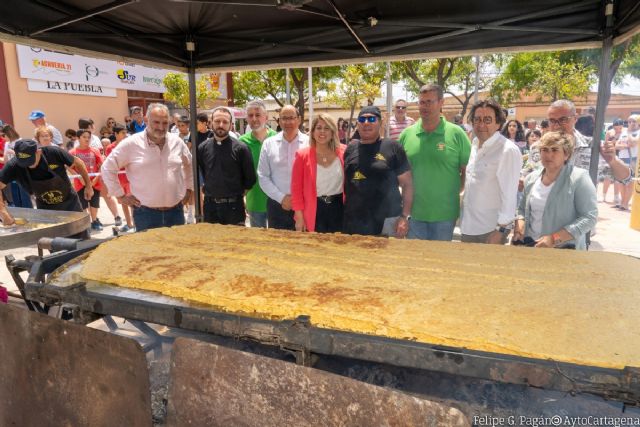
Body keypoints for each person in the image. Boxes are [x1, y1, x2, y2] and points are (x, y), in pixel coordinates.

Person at [101, 103, 193, 232]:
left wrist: (189, 189)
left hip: (176, 213)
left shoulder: (177, 142)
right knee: (148, 253)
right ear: (146, 120)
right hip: (145, 214)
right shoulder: (131, 144)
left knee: (176, 251)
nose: (161, 127)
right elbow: (107, 168)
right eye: (156, 122)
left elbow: (189, 165)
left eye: (165, 123)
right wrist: (120, 195)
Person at [399, 83, 471, 241]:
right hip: (414, 215)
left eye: (429, 102)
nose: (424, 106)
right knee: (415, 264)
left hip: (444, 216)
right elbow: (400, 174)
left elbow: (467, 170)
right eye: (421, 102)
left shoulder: (457, 134)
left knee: (440, 264)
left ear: (441, 102)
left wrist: (456, 191)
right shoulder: (406, 135)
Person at [513, 132, 597, 250]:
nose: (549, 155)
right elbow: (521, 209)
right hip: (531, 245)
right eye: (544, 150)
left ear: (566, 154)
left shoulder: (579, 178)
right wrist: (520, 223)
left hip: (564, 250)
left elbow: (589, 218)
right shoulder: (531, 179)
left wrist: (554, 238)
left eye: (554, 150)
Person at [343, 106, 413, 237]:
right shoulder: (351, 148)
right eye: (362, 119)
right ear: (357, 123)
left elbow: (407, 184)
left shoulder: (393, 147)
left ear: (380, 123)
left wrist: (404, 217)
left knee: (387, 258)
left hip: (387, 222)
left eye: (371, 119)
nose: (366, 123)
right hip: (354, 221)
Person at [460, 99, 521, 244]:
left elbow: (509, 194)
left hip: (490, 231)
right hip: (468, 227)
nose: (481, 124)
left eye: (487, 120)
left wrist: (500, 230)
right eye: (477, 119)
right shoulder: (474, 145)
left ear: (498, 123)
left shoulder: (507, 150)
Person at [0, 139, 93, 225]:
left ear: (38, 152)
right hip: (45, 208)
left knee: (79, 235)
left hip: (70, 203)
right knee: (50, 240)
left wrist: (88, 186)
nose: (28, 165)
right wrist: (3, 212)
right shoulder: (13, 165)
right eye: (23, 163)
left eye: (30, 161)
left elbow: (78, 163)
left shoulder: (53, 153)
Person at [547, 99, 630, 183]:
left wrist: (613, 162)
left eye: (563, 120)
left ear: (575, 118)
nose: (557, 125)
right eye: (552, 121)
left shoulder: (594, 146)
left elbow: (626, 178)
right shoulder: (539, 148)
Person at [198, 107, 256, 226]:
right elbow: (204, 173)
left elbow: (250, 179)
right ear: (211, 123)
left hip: (234, 208)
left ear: (230, 125)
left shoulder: (241, 149)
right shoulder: (202, 148)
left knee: (234, 243)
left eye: (225, 122)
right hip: (210, 208)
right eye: (217, 121)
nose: (221, 125)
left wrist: (234, 196)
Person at [257, 105, 309, 230]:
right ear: (279, 121)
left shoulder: (310, 143)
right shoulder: (269, 144)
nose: (288, 122)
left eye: (292, 118)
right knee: (278, 245)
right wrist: (281, 198)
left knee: (304, 246)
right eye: (284, 118)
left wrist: (297, 201)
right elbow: (262, 176)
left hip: (304, 205)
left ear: (299, 119)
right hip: (277, 205)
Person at [291, 113, 346, 233]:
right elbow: (296, 190)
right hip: (314, 209)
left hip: (339, 208)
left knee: (338, 248)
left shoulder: (344, 152)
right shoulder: (302, 155)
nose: (322, 132)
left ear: (333, 132)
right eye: (319, 128)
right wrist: (299, 217)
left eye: (327, 128)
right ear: (312, 132)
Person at [239, 100, 277, 228]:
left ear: (266, 117)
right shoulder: (241, 143)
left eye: (258, 114)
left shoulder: (277, 139)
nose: (254, 118)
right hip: (254, 203)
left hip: (277, 201)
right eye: (250, 115)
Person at [69, 129, 104, 231]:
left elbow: (101, 165)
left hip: (94, 182)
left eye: (88, 137)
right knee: (83, 204)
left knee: (94, 203)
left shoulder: (95, 150)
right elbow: (68, 166)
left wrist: (96, 178)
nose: (87, 139)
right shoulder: (73, 152)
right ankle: (86, 223)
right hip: (80, 183)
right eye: (84, 137)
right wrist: (79, 177)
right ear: (78, 138)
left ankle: (95, 221)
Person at [104, 124, 134, 232]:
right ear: (115, 134)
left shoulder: (129, 145)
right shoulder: (110, 148)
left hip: (130, 178)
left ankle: (136, 223)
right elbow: (112, 165)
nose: (125, 135)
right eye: (122, 133)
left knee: (133, 201)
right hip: (119, 180)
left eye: (126, 133)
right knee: (123, 202)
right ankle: (129, 224)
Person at [1, 125, 33, 208]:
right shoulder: (7, 144)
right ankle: (20, 215)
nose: (3, 138)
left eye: (3, 135)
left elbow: (25, 157)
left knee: (24, 195)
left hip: (22, 170)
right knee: (15, 195)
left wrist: (13, 152)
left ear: (9, 133)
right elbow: (5, 161)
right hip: (12, 171)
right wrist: (6, 155)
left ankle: (29, 214)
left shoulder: (21, 142)